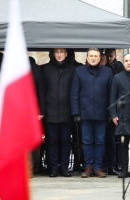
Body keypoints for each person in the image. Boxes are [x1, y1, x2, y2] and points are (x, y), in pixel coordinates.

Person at [71, 48, 112, 178]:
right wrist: (76, 112)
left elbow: (111, 94)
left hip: (102, 113)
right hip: (85, 113)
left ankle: (98, 167)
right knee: (87, 141)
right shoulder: (79, 71)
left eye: (96, 56)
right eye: (91, 56)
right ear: (87, 58)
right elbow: (74, 93)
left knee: (100, 141)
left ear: (100, 58)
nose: (93, 58)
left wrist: (111, 112)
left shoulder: (107, 72)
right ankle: (88, 167)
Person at [40, 48, 75, 177]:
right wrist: (43, 110)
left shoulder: (72, 70)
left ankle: (64, 167)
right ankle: (53, 168)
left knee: (66, 142)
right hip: (50, 112)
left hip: (67, 112)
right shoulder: (46, 70)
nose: (59, 55)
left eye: (62, 52)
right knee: (52, 142)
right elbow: (42, 92)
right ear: (53, 54)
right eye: (57, 52)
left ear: (66, 54)